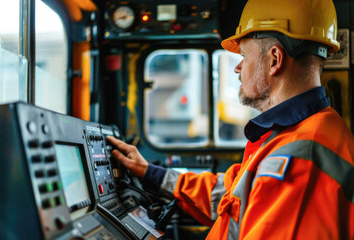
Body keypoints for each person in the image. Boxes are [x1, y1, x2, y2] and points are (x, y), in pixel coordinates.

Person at [107, 0, 354, 239]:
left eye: (244, 56)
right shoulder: (293, 133)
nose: (238, 68)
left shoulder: (300, 158)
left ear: (274, 60)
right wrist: (151, 173)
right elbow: (231, 194)